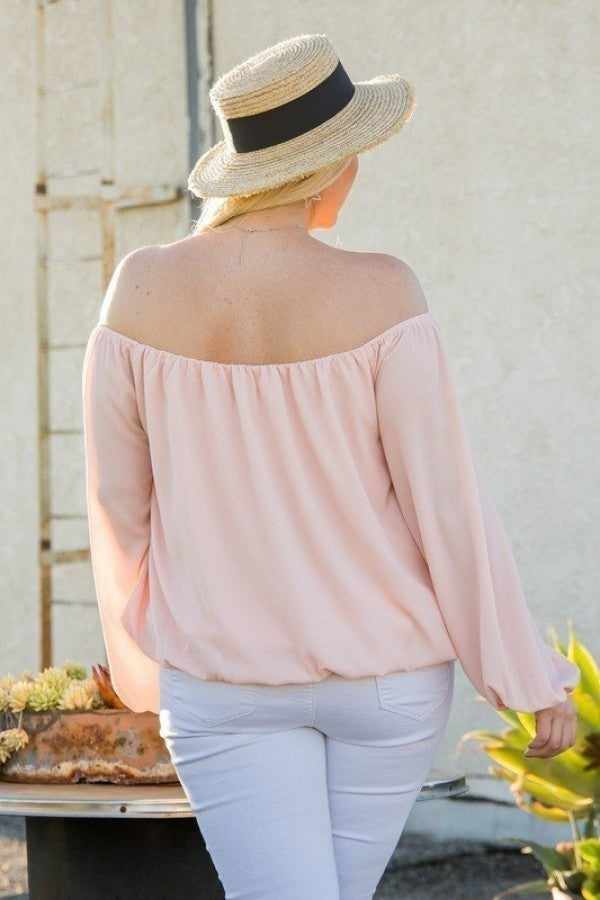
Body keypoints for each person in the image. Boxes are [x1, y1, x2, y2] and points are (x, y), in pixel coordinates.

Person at [81, 33, 579, 900]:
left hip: (222, 686)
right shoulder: (386, 290)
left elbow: (119, 508)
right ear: (323, 169)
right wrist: (524, 678)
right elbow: (448, 511)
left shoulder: (138, 289)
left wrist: (141, 665)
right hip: (385, 688)